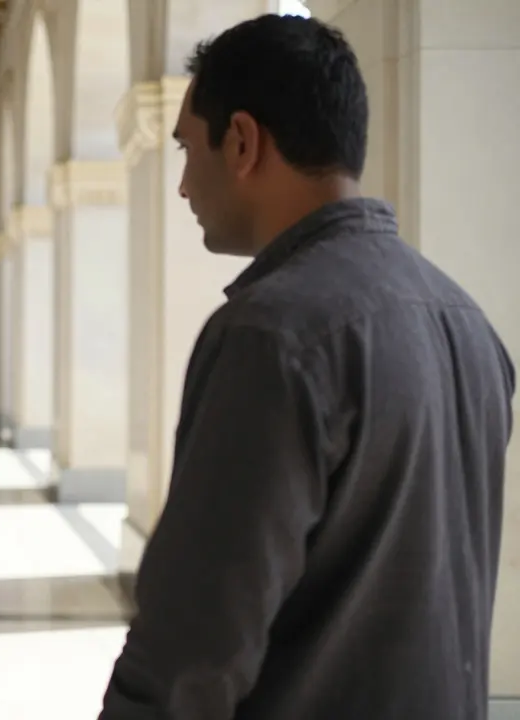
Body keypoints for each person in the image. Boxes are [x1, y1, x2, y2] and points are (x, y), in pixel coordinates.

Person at [100, 14, 514, 720]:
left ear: (241, 141)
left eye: (186, 149)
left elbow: (194, 648)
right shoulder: (468, 323)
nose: (182, 188)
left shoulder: (272, 335)